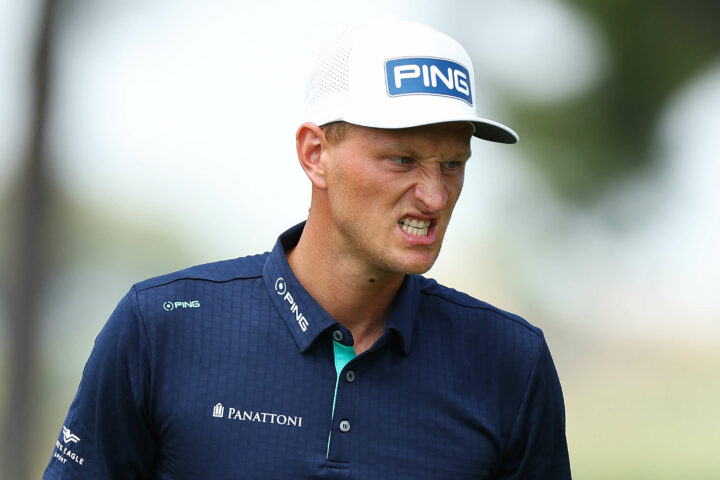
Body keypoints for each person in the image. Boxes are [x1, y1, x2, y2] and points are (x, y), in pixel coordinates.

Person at [44, 19, 570, 479]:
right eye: (403, 160)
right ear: (315, 154)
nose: (434, 196)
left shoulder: (511, 362)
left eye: (453, 164)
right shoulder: (163, 326)